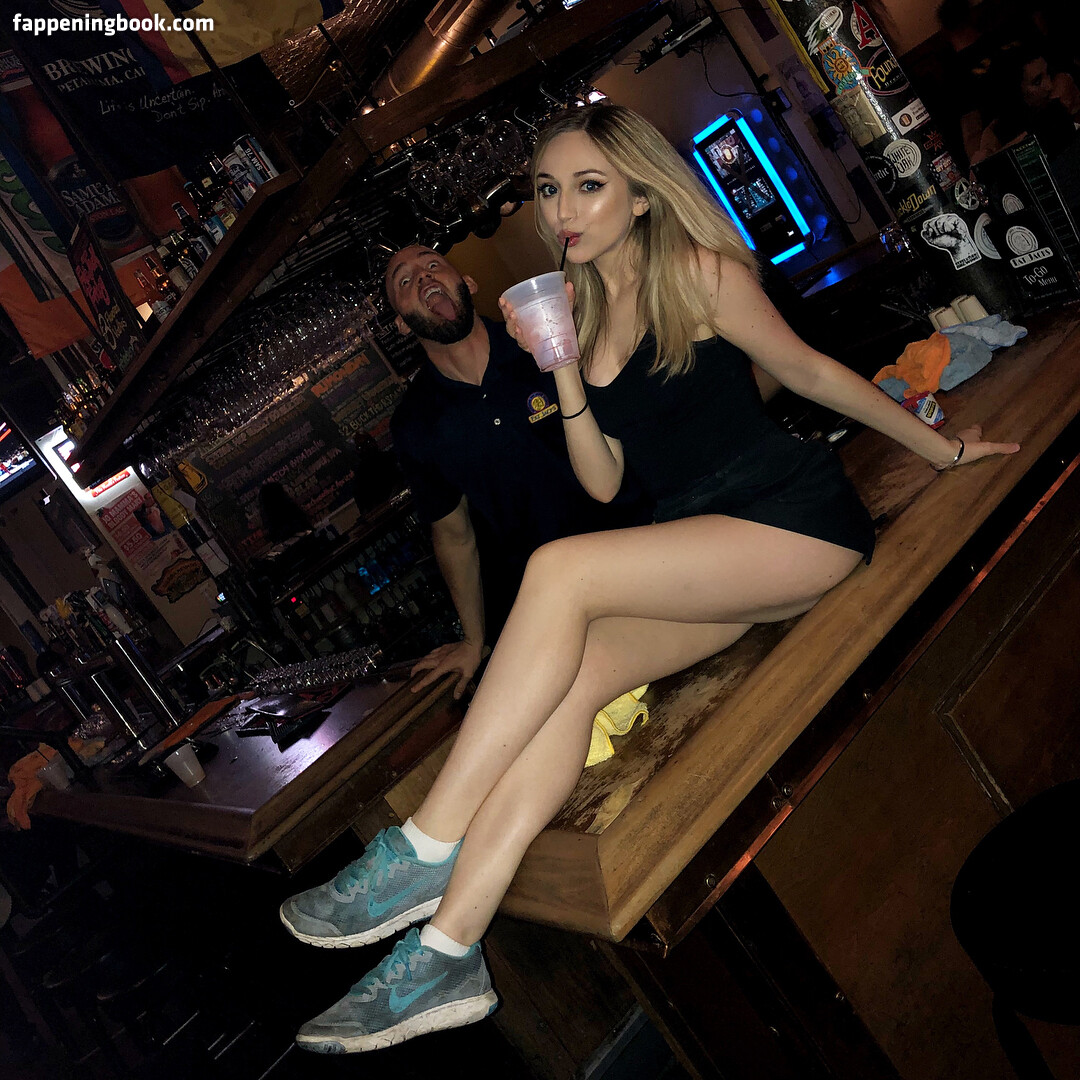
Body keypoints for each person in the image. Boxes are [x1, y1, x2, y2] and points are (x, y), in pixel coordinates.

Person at [280, 105, 1019, 1054]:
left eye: (588, 186)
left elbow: (809, 373)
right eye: (548, 190)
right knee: (577, 674)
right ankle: (447, 953)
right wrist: (564, 370)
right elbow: (604, 480)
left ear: (639, 193)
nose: (563, 209)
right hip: (709, 552)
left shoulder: (700, 273)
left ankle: (424, 845)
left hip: (794, 523)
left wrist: (944, 450)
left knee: (557, 570)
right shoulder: (581, 314)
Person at [384, 244, 652, 698]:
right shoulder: (414, 423)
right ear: (402, 324)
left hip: (635, 551)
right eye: (405, 282)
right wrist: (474, 640)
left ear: (468, 284)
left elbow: (631, 426)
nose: (424, 277)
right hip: (548, 607)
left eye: (433, 265)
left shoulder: (542, 340)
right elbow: (454, 535)